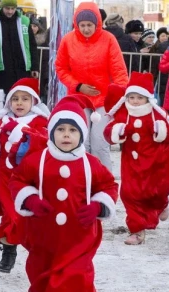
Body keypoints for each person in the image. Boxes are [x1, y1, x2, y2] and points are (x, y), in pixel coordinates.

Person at [9, 95, 118, 292]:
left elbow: (109, 185)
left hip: (79, 238)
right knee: (46, 277)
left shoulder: (91, 164)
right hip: (45, 239)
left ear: (81, 133)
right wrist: (30, 200)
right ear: (52, 132)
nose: (66, 135)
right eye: (60, 129)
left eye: (72, 130)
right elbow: (18, 180)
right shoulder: (37, 161)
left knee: (78, 280)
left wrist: (98, 205)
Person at [103, 72, 169, 245]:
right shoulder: (123, 115)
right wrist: (118, 131)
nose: (135, 101)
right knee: (129, 194)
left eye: (140, 97)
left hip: (157, 165)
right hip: (132, 165)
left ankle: (161, 204)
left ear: (148, 98)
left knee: (156, 191)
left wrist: (163, 131)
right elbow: (108, 133)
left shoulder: (158, 114)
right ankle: (137, 231)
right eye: (131, 97)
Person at [0, 78, 49, 273]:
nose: (19, 103)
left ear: (34, 101)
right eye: (15, 99)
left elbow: (44, 146)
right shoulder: (1, 121)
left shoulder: (40, 122)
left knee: (19, 216)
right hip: (3, 177)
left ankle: (16, 250)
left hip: (27, 180)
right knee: (12, 213)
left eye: (25, 99)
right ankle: (10, 251)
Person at [55, 2, 129, 172]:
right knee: (82, 140)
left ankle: (105, 179)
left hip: (104, 99)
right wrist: (78, 86)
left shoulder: (109, 39)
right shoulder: (68, 40)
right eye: (82, 25)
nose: (86, 29)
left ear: (97, 24)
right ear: (76, 24)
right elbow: (61, 68)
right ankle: (82, 176)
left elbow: (119, 72)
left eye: (90, 25)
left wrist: (118, 98)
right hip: (79, 99)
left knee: (99, 141)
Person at [0, 0, 39, 94]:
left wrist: (35, 67)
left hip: (22, 69)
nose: (10, 11)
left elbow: (32, 45)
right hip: (3, 70)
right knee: (6, 98)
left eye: (13, 8)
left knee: (22, 97)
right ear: (2, 7)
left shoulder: (24, 21)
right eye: (7, 8)